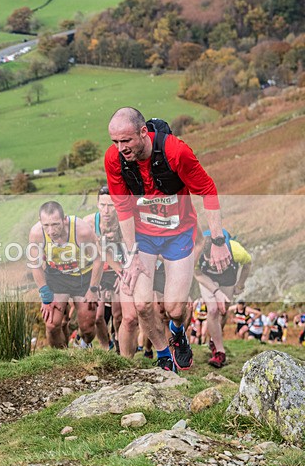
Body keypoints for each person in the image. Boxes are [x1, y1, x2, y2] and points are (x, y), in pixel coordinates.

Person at [104, 107, 232, 372]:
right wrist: (132, 254)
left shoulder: (176, 152)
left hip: (178, 233)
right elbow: (123, 207)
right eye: (115, 142)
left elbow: (208, 190)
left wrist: (218, 242)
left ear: (143, 133)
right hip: (143, 236)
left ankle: (178, 333)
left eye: (126, 141)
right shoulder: (114, 159)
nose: (120, 148)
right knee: (141, 304)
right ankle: (164, 356)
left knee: (174, 309)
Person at [28, 200, 103, 348]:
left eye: (55, 224)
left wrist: (93, 289)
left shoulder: (82, 231)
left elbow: (98, 260)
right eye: (46, 225)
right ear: (40, 222)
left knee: (87, 326)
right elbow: (35, 265)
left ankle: (83, 344)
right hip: (57, 277)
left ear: (64, 219)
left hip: (83, 277)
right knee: (51, 324)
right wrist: (46, 296)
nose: (51, 231)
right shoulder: (37, 234)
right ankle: (62, 356)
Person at [83, 186, 140, 356]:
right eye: (103, 205)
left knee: (118, 314)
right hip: (98, 270)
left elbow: (130, 250)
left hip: (120, 268)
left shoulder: (124, 223)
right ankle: (105, 347)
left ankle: (119, 343)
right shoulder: (89, 223)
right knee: (99, 316)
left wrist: (123, 273)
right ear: (97, 204)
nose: (106, 211)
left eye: (111, 205)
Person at [193, 229, 253, 367]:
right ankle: (219, 352)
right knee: (213, 310)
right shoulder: (196, 252)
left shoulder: (235, 250)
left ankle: (214, 339)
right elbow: (197, 273)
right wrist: (215, 291)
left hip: (228, 277)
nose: (213, 264)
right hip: (207, 277)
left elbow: (248, 263)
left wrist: (240, 284)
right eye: (209, 261)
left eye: (214, 260)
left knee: (223, 310)